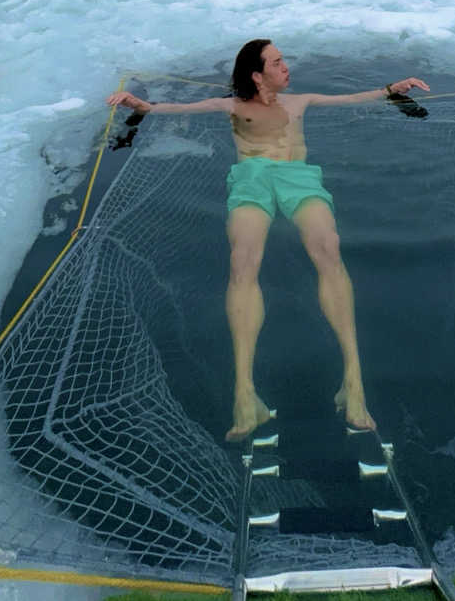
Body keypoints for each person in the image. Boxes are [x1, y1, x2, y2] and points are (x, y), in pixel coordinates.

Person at [107, 40, 429, 441]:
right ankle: (245, 392)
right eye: (277, 62)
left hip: (298, 178)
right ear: (257, 75)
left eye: (283, 60)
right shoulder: (231, 106)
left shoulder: (300, 102)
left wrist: (391, 89)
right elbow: (171, 109)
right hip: (252, 179)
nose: (286, 67)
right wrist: (139, 105)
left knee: (328, 247)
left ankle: (353, 382)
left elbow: (350, 99)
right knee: (243, 259)